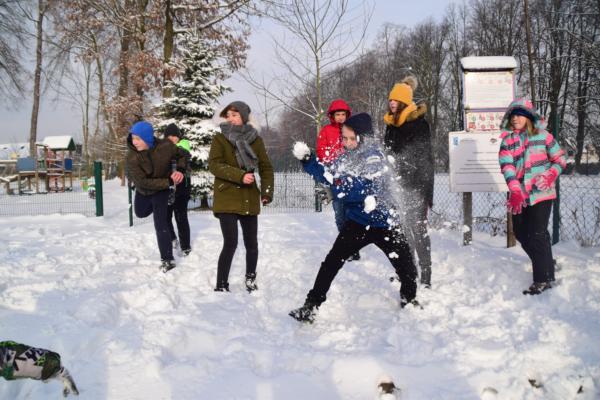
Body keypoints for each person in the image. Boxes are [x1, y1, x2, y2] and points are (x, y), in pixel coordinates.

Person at [289, 113, 419, 323]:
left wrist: (340, 186)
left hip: (384, 223)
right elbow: (328, 174)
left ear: (363, 138)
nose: (346, 142)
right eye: (344, 138)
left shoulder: (374, 157)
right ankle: (311, 306)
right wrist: (309, 161)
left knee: (406, 267)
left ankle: (409, 299)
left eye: (351, 138)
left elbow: (367, 186)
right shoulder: (344, 158)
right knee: (331, 262)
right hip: (358, 223)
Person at [498, 99, 566, 295]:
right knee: (520, 232)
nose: (515, 118)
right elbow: (507, 166)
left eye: (519, 114)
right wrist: (515, 190)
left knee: (537, 233)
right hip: (519, 195)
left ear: (528, 117)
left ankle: (543, 278)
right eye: (512, 115)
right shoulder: (507, 141)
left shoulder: (544, 136)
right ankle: (545, 261)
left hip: (541, 193)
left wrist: (551, 174)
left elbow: (560, 159)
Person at [208, 101, 274, 292]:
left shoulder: (256, 140)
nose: (230, 118)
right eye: (228, 115)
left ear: (244, 117)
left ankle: (250, 279)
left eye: (235, 115)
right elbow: (214, 165)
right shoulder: (220, 139)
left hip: (249, 197)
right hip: (227, 197)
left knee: (251, 244)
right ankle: (221, 284)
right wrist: (240, 175)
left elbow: (266, 168)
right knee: (230, 243)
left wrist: (266, 193)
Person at [383, 76, 434, 288]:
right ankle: (408, 271)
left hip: (417, 185)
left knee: (418, 230)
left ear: (404, 101)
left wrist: (426, 192)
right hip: (397, 186)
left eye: (396, 100)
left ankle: (426, 273)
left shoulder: (419, 124)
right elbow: (388, 154)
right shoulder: (391, 124)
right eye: (390, 99)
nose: (392, 103)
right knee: (402, 231)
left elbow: (425, 159)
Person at [126, 120, 186, 272]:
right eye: (133, 138)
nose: (134, 142)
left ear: (147, 138)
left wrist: (179, 170)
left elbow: (182, 155)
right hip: (144, 189)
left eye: (138, 139)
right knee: (140, 213)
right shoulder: (132, 157)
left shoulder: (165, 146)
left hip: (162, 191)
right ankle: (161, 204)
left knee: (160, 223)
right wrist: (168, 182)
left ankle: (167, 259)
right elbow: (142, 182)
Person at [316, 99, 360, 261]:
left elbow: (358, 148)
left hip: (352, 179)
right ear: (332, 116)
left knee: (352, 215)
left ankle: (353, 248)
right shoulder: (326, 131)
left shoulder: (352, 129)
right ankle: (347, 245)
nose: (340, 117)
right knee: (340, 216)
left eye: (343, 114)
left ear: (347, 115)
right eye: (338, 114)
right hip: (335, 180)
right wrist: (332, 162)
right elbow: (321, 151)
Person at [164, 123, 192, 256]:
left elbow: (183, 157)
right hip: (167, 188)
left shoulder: (183, 146)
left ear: (178, 137)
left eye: (174, 136)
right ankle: (172, 239)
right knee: (165, 216)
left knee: (181, 217)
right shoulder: (164, 149)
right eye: (168, 137)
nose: (171, 139)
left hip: (182, 189)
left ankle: (185, 246)